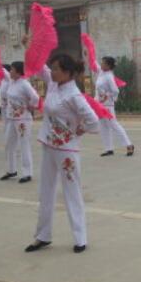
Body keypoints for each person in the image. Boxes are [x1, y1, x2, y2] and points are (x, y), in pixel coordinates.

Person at [25, 54, 99, 253]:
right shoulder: (52, 84)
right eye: (52, 68)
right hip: (49, 146)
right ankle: (42, 236)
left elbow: (93, 121)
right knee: (45, 191)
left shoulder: (74, 95)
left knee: (71, 193)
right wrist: (29, 46)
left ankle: (80, 238)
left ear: (67, 72)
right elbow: (38, 66)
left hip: (67, 151)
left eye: (56, 68)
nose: (52, 71)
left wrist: (80, 130)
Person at [0, 62, 40, 183]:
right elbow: (2, 72)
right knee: (8, 144)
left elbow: (35, 97)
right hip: (11, 119)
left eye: (12, 70)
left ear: (18, 72)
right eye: (10, 70)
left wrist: (31, 106)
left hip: (23, 120)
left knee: (24, 145)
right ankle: (11, 170)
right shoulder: (12, 82)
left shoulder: (24, 84)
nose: (10, 71)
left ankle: (27, 173)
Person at [95, 56, 134, 157]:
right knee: (103, 126)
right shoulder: (101, 72)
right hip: (99, 104)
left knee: (113, 125)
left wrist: (106, 95)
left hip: (107, 105)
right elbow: (94, 63)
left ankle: (129, 145)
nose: (101, 64)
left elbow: (116, 90)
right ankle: (108, 149)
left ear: (108, 66)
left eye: (103, 63)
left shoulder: (109, 76)